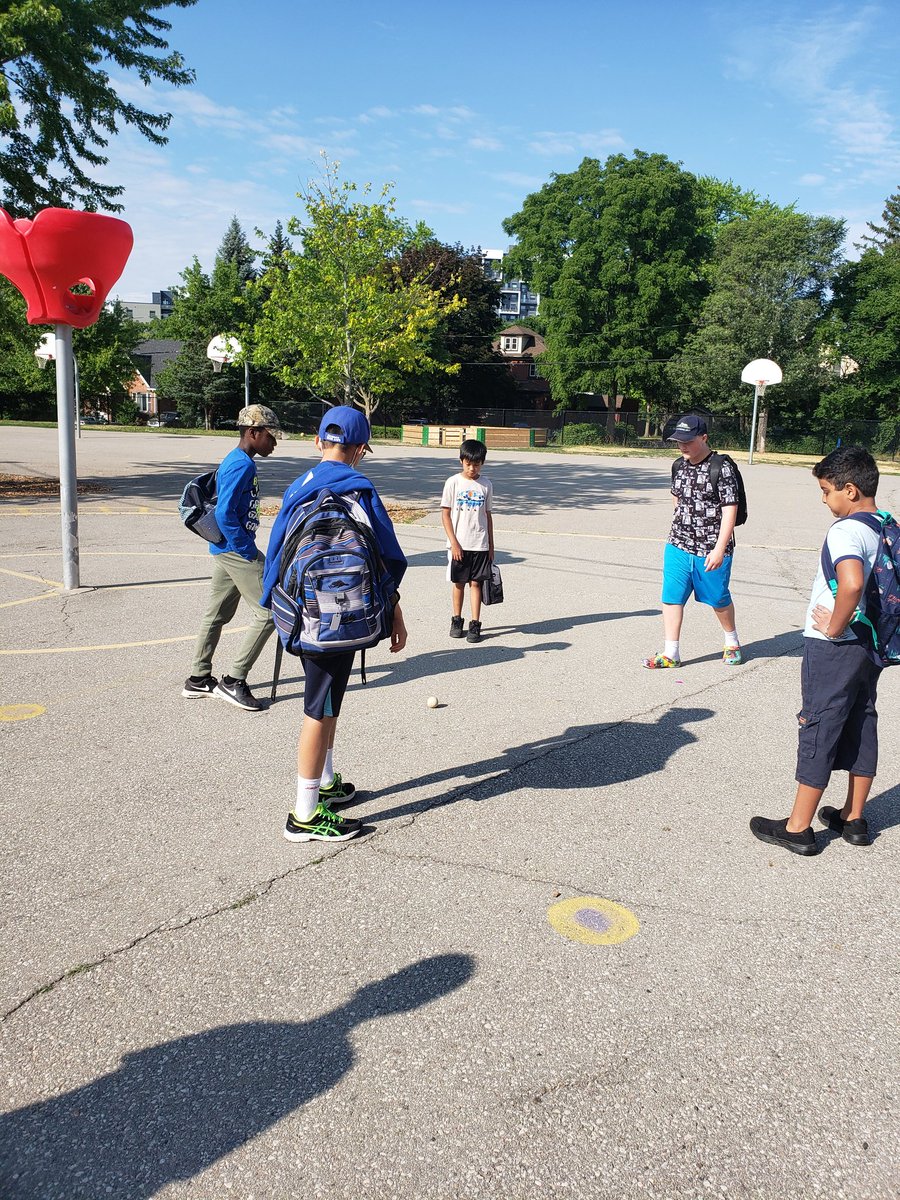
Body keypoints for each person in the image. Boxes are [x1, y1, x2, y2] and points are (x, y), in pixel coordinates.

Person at [261, 406, 408, 842]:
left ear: (318, 442)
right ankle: (304, 815)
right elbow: (387, 557)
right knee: (318, 709)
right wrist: (393, 609)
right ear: (361, 448)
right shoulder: (359, 490)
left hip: (303, 613)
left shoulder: (298, 486)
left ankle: (324, 783)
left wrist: (276, 603)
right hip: (340, 616)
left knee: (328, 702)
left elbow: (274, 552)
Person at [751, 446, 884, 856]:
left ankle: (798, 827)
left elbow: (852, 584)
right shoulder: (887, 524)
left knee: (819, 723)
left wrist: (835, 625)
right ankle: (853, 817)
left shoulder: (846, 530)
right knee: (862, 719)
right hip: (869, 644)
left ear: (850, 489)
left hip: (836, 645)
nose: (824, 500)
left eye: (826, 491)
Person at [182, 404, 281, 712]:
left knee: (216, 614)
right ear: (253, 432)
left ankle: (198, 678)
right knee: (270, 610)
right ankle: (233, 681)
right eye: (271, 436)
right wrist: (247, 550)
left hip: (224, 551)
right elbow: (224, 513)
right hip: (236, 550)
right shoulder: (243, 465)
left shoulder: (236, 459)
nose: (274, 443)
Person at [642, 413, 742, 669]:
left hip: (711, 548)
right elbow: (676, 498)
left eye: (687, 440)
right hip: (678, 544)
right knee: (671, 597)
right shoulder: (679, 465)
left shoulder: (722, 467)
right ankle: (670, 653)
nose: (682, 445)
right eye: (678, 441)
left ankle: (731, 641)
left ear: (704, 437)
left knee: (718, 598)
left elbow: (730, 509)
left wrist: (720, 549)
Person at [441, 438, 494, 644]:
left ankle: (475, 623)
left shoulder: (486, 485)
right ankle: (456, 620)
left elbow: (488, 516)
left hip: (479, 542)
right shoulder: (453, 482)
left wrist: (491, 545)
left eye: (477, 464)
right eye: (468, 463)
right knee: (459, 583)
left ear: (482, 463)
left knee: (476, 584)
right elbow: (445, 514)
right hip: (459, 544)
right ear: (461, 461)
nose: (472, 468)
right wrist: (453, 542)